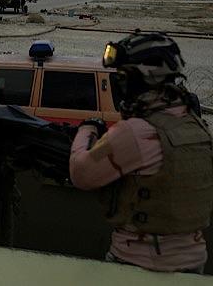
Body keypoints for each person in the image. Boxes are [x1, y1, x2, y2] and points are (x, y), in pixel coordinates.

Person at [69, 32, 213, 274]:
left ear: (141, 79)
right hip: (194, 263)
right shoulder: (196, 127)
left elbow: (81, 173)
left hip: (138, 265)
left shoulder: (138, 132)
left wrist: (87, 128)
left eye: (124, 77)